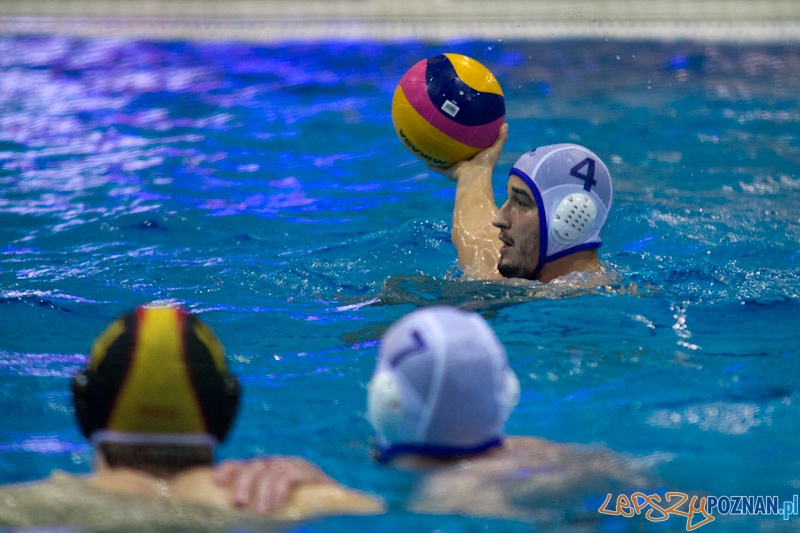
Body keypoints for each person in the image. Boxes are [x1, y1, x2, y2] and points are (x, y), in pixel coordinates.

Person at [223, 307, 656, 522]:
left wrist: (318, 495)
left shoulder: (441, 502)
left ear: (386, 400)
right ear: (504, 394)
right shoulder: (566, 458)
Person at [0, 304, 382, 529]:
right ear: (226, 410)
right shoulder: (300, 505)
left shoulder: (24, 508)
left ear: (84, 406)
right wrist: (323, 486)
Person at [431, 123, 614, 282]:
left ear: (570, 219)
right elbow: (476, 234)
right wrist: (475, 170)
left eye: (521, 203)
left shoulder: (600, 302)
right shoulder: (498, 275)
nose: (498, 219)